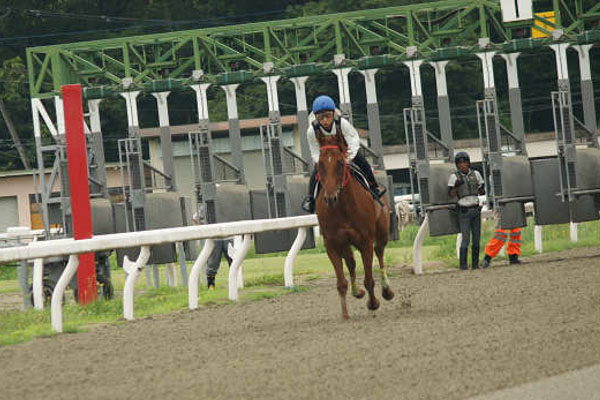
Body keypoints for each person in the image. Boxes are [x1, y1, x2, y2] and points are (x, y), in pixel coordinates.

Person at [301, 95, 385, 213]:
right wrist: (320, 162)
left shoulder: (342, 123)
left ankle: (373, 187)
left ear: (333, 114)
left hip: (346, 152)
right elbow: (314, 150)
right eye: (321, 117)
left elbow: (354, 141)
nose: (325, 121)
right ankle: (311, 199)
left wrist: (347, 159)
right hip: (326, 156)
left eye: (328, 116)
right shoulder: (311, 131)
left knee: (363, 163)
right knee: (315, 174)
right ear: (316, 118)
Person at [448, 151, 485, 270]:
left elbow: (481, 191)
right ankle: (463, 265)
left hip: (475, 208)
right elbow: (451, 194)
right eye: (460, 163)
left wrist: (481, 188)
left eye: (464, 162)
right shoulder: (454, 177)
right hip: (464, 210)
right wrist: (456, 186)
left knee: (476, 238)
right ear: (457, 165)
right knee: (466, 239)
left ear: (468, 163)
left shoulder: (476, 174)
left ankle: (475, 264)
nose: (463, 165)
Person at [192, 210, 233, 290]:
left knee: (233, 260)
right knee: (212, 263)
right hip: (215, 239)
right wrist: (206, 228)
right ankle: (211, 285)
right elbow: (195, 218)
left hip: (229, 236)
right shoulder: (206, 207)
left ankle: (235, 284)